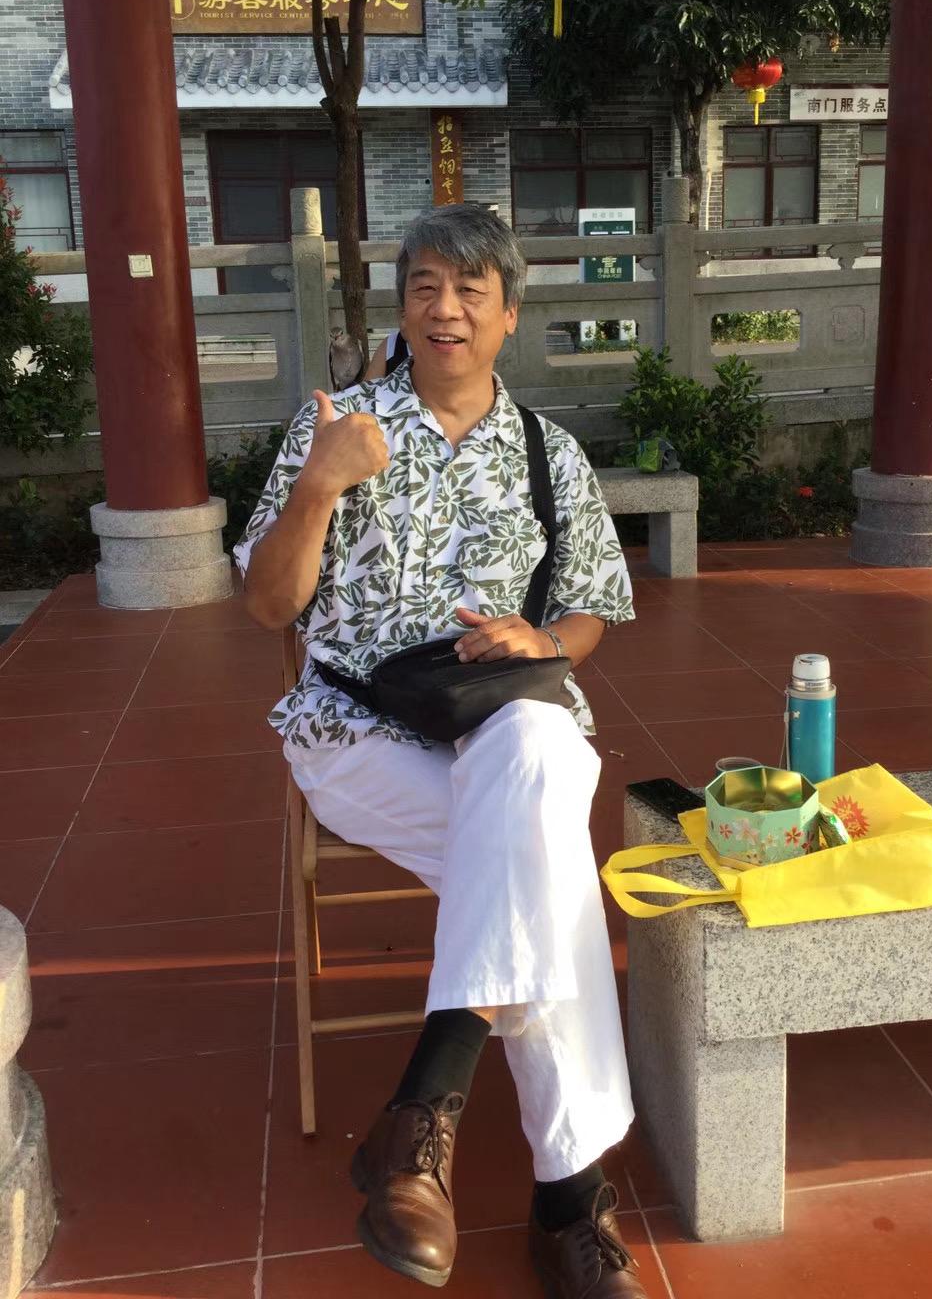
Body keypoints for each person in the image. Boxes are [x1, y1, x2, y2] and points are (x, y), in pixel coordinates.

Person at [236, 205, 651, 1297]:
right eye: (425, 285)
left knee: (537, 755)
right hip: (357, 731)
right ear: (403, 307)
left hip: (499, 724)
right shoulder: (338, 427)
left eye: (472, 289)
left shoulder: (550, 454)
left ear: (509, 315)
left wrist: (543, 640)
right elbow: (267, 605)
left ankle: (423, 1119)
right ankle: (568, 1202)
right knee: (547, 868)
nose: (446, 307)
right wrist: (321, 484)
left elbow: (592, 610)